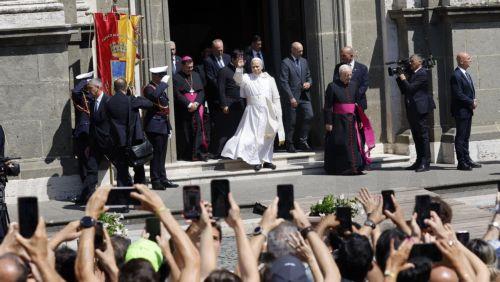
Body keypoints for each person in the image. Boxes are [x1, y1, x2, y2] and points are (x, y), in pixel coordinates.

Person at [221, 57, 284, 171]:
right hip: (252, 112)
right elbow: (237, 80)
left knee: (268, 136)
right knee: (254, 137)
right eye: (253, 66)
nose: (255, 68)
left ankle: (267, 160)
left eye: (257, 66)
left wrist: (277, 112)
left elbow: (276, 96)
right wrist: (239, 68)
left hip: (268, 111)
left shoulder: (269, 79)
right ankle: (256, 160)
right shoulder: (247, 77)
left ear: (262, 66)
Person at [324, 65, 375, 175]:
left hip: (352, 119)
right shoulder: (332, 86)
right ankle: (343, 168)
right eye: (347, 75)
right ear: (340, 75)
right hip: (339, 121)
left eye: (350, 74)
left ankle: (355, 167)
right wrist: (328, 122)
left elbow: (357, 104)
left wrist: (360, 120)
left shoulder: (354, 85)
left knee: (354, 143)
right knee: (341, 143)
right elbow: (328, 106)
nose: (349, 77)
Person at [106, 78, 153, 186]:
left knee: (121, 170)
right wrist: (134, 95)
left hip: (117, 141)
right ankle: (139, 192)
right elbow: (149, 104)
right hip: (133, 140)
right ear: (126, 88)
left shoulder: (109, 101)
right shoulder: (131, 100)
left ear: (114, 88)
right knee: (138, 168)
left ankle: (123, 194)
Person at [396, 54, 436, 172]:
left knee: (423, 135)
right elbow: (404, 90)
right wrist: (399, 77)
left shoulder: (422, 73)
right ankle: (419, 160)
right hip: (412, 108)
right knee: (416, 135)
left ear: (420, 61)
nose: (410, 63)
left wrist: (403, 78)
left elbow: (411, 89)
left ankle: (425, 162)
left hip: (421, 108)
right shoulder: (412, 73)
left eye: (412, 61)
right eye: (410, 61)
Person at [143, 66, 179, 190]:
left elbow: (164, 110)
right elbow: (154, 96)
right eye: (161, 76)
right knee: (156, 154)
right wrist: (163, 83)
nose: (163, 78)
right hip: (153, 126)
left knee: (162, 155)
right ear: (155, 76)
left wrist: (169, 127)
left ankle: (163, 179)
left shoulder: (159, 89)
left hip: (162, 125)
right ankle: (155, 180)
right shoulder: (149, 88)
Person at [80, 78, 112, 204]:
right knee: (91, 169)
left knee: (120, 167)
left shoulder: (108, 101)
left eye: (90, 88)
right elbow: (92, 125)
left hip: (108, 142)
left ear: (98, 87)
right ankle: (88, 196)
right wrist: (89, 144)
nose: (89, 91)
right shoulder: (92, 102)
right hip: (95, 143)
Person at [279, 42, 314, 153]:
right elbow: (283, 82)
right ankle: (289, 143)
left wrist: (309, 83)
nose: (301, 53)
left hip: (304, 96)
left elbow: (309, 76)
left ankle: (303, 141)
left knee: (309, 115)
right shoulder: (285, 62)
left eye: (302, 50)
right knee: (291, 121)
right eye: (299, 51)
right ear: (293, 50)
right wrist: (291, 97)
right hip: (292, 97)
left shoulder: (304, 61)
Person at [173, 56, 209, 161]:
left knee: (198, 130)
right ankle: (188, 154)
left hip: (196, 107)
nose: (190, 69)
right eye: (188, 67)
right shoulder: (177, 77)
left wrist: (197, 103)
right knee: (186, 131)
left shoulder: (196, 75)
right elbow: (177, 94)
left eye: (192, 67)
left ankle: (197, 153)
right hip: (185, 109)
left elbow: (201, 91)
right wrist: (189, 104)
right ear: (182, 66)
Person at [450, 52, 482, 171]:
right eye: (468, 58)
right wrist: (470, 102)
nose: (471, 60)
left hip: (467, 110)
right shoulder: (456, 75)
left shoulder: (466, 74)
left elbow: (468, 91)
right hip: (461, 110)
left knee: (466, 136)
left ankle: (467, 159)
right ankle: (461, 162)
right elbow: (458, 94)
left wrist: (472, 101)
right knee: (461, 136)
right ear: (461, 61)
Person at [213, 49, 246, 157]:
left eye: (242, 58)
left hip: (240, 104)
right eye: (239, 58)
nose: (241, 60)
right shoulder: (224, 71)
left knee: (239, 128)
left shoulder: (241, 70)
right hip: (229, 103)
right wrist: (224, 104)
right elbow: (221, 89)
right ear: (232, 59)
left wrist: (240, 68)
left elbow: (240, 83)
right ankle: (220, 152)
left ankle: (235, 152)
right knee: (227, 129)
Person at [204, 39, 231, 156]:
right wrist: (223, 88)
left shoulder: (228, 58)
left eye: (222, 49)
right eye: (218, 50)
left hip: (229, 97)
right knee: (218, 125)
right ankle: (217, 150)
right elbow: (211, 79)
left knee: (229, 124)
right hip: (216, 99)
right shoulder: (208, 61)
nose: (220, 52)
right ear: (213, 49)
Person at [71, 71, 93, 183]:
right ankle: (86, 186)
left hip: (93, 132)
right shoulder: (81, 96)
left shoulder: (92, 96)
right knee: (83, 160)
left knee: (91, 161)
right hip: (83, 132)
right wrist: (85, 80)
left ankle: (90, 186)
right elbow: (75, 91)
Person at [333, 46, 369, 110]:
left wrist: (354, 96)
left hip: (358, 102)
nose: (342, 58)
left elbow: (364, 85)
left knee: (358, 120)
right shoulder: (338, 67)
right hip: (343, 103)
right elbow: (336, 82)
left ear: (351, 56)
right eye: (341, 56)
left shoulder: (362, 68)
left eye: (344, 56)